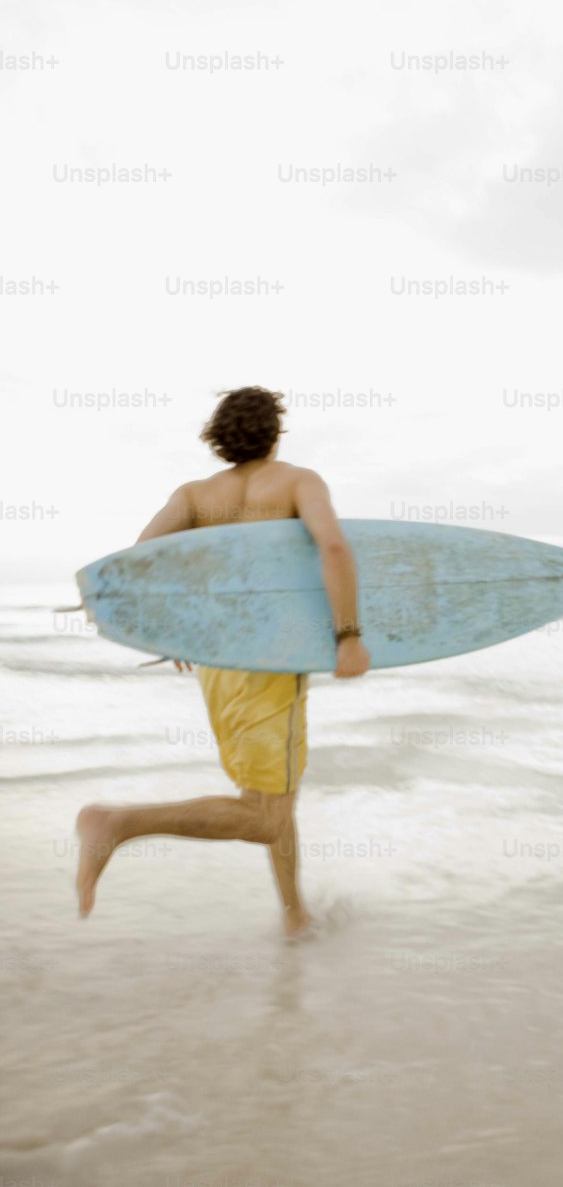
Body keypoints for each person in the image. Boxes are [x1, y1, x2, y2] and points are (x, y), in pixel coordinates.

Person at [74, 386, 370, 937]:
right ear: (275, 434)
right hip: (272, 659)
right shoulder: (298, 482)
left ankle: (294, 916)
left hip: (218, 661)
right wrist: (348, 635)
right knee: (263, 816)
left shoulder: (193, 495)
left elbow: (139, 564)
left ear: (221, 437)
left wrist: (173, 630)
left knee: (274, 798)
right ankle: (115, 823)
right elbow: (332, 547)